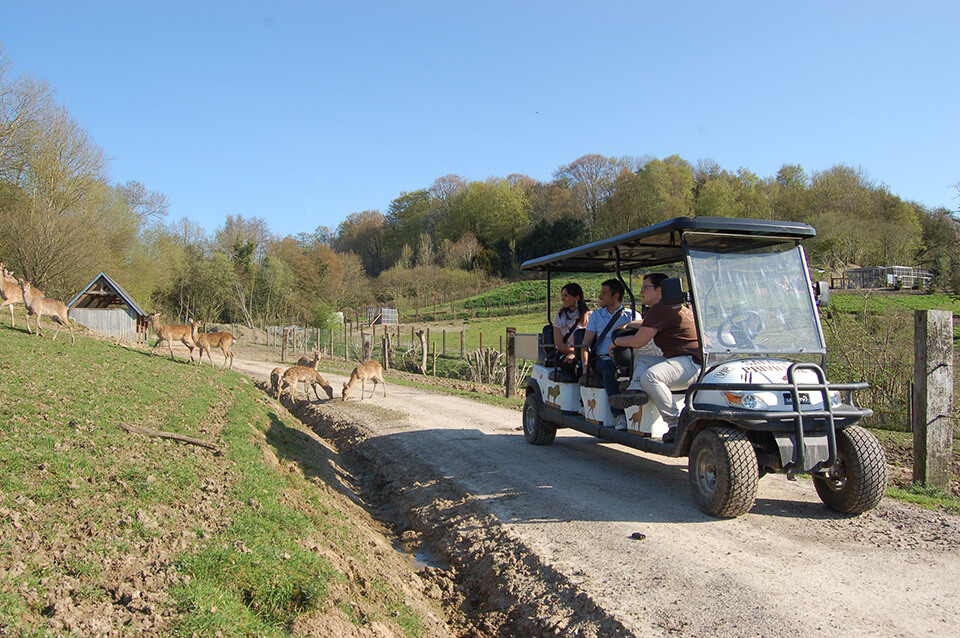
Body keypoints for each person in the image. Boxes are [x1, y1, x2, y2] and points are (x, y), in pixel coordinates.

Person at [610, 273, 701, 443]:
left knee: (650, 377)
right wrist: (630, 324)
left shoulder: (660, 309)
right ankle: (635, 389)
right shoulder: (673, 306)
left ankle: (675, 424)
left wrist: (616, 341)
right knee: (643, 359)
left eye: (645, 287)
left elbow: (638, 342)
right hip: (690, 362)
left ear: (659, 290)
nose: (641, 291)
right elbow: (649, 324)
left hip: (689, 364)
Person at [580, 279, 636, 429]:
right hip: (603, 358)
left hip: (627, 358)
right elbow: (585, 344)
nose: (599, 297)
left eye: (604, 293)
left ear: (615, 296)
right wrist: (585, 365)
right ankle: (618, 414)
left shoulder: (632, 316)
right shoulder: (596, 316)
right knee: (608, 367)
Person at [551, 283, 592, 377]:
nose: (562, 299)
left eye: (566, 296)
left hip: (586, 353)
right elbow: (559, 345)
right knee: (574, 364)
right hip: (565, 353)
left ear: (576, 298)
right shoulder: (559, 317)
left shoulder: (590, 316)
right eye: (562, 296)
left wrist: (577, 353)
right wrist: (573, 352)